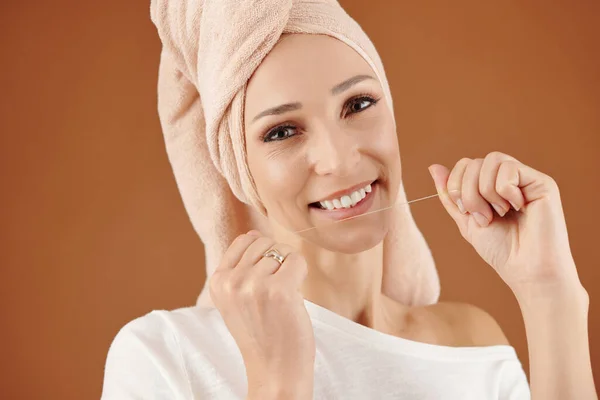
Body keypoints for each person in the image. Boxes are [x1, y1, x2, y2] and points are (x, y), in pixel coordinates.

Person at [101, 2, 596, 399]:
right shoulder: (165, 357)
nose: (337, 160)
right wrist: (278, 383)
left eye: (358, 104)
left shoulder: (471, 339)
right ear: (239, 169)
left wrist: (551, 295)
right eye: (282, 131)